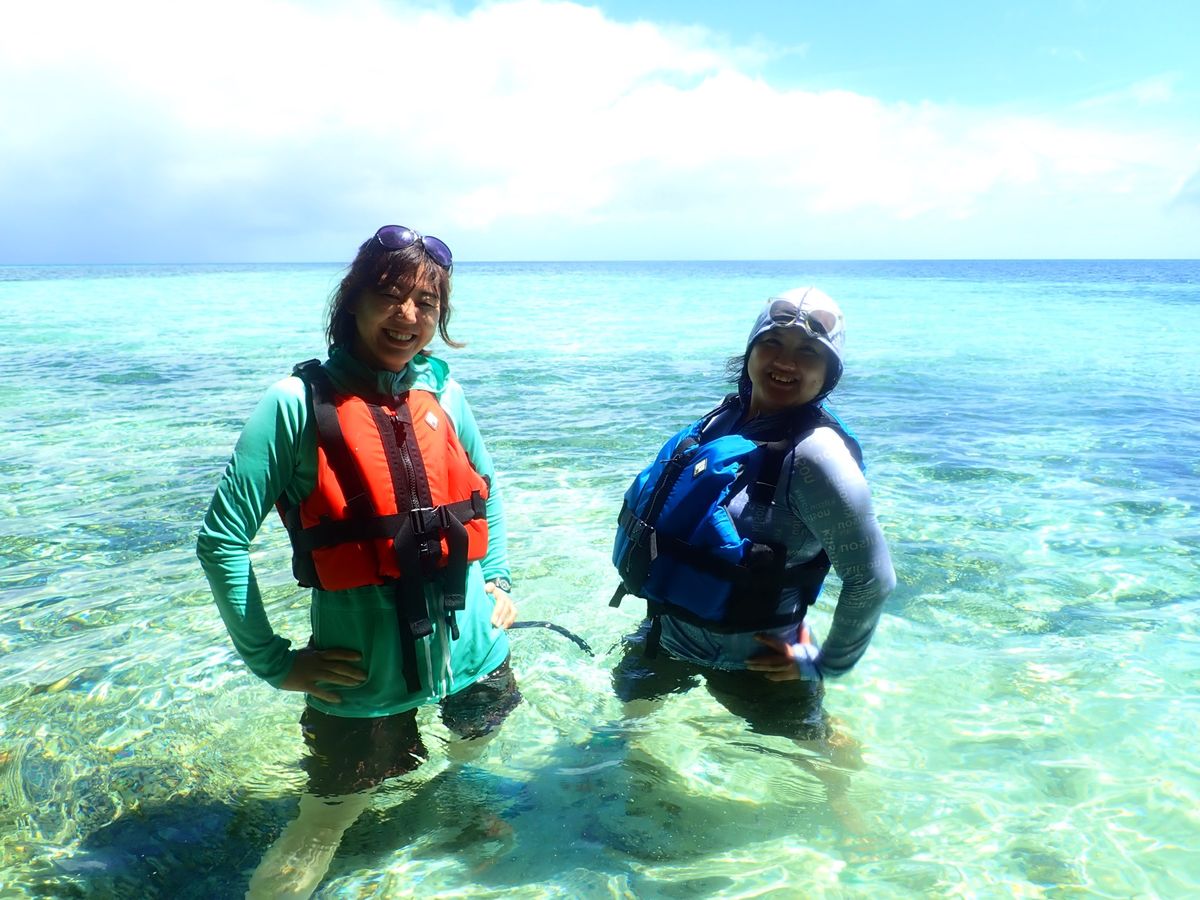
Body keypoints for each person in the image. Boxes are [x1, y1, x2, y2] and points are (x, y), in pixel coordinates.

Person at [197, 225, 520, 898]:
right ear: (353, 303)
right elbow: (222, 539)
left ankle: (453, 806)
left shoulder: (445, 394)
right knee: (325, 822)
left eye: (426, 302)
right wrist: (274, 661)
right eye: (390, 295)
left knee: (471, 755)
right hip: (362, 679)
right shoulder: (295, 407)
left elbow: (486, 493)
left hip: (476, 656)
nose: (408, 316)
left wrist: (497, 579)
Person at [611, 287, 895, 742]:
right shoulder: (722, 422)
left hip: (758, 663)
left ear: (829, 373)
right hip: (665, 635)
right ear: (751, 351)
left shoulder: (818, 457)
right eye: (773, 344)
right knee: (624, 739)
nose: (786, 362)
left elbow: (872, 579)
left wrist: (826, 662)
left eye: (808, 353)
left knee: (816, 759)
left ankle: (856, 814)